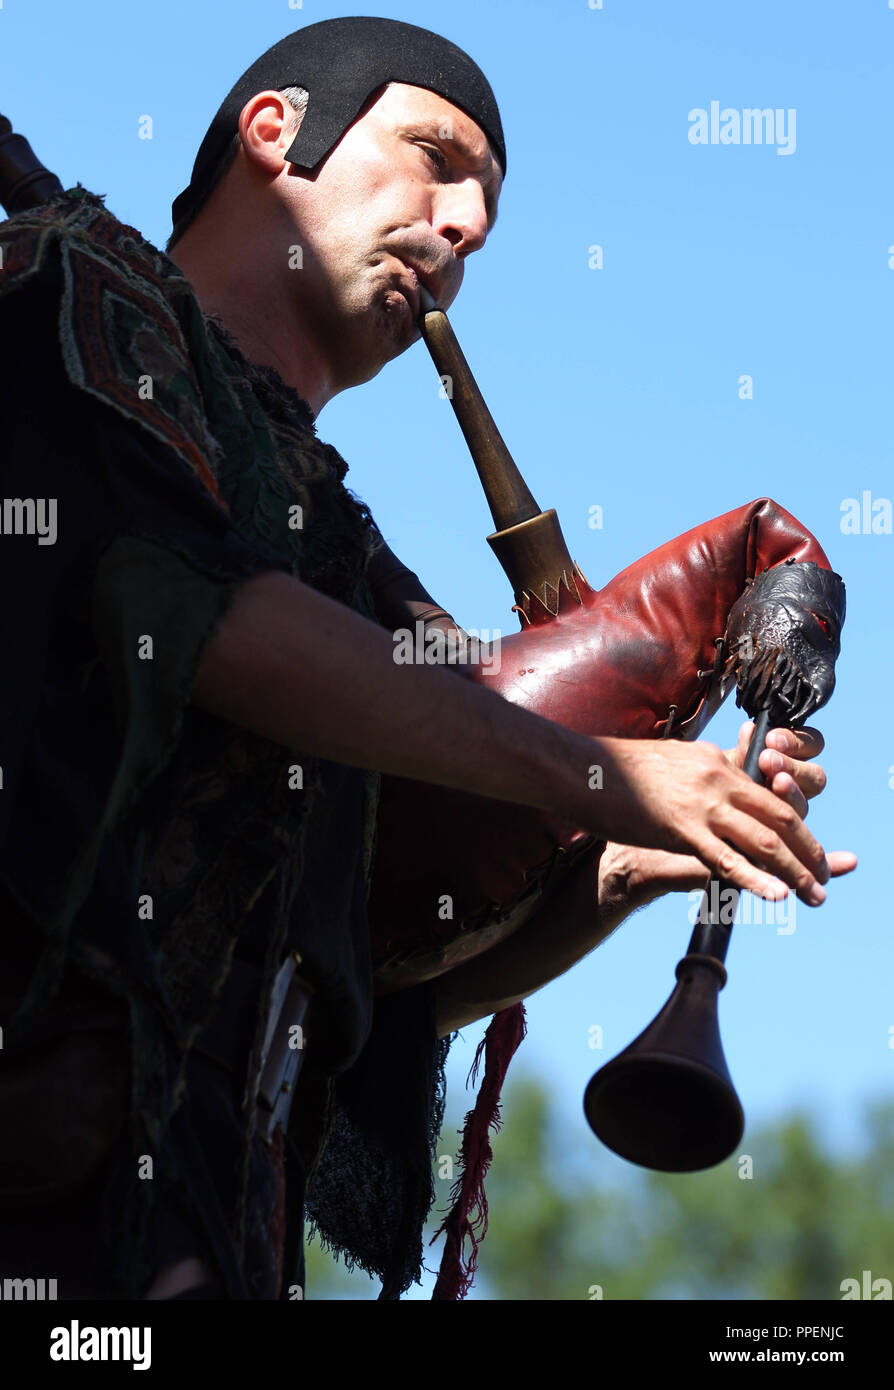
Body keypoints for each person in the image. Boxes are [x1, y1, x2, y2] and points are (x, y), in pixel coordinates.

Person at [0, 17, 855, 1302]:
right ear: (275, 132)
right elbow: (200, 614)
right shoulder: (73, 301)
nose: (463, 229)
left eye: (487, 216)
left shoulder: (354, 565)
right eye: (434, 158)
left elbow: (391, 974)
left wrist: (617, 871)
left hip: (213, 1228)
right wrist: (605, 773)